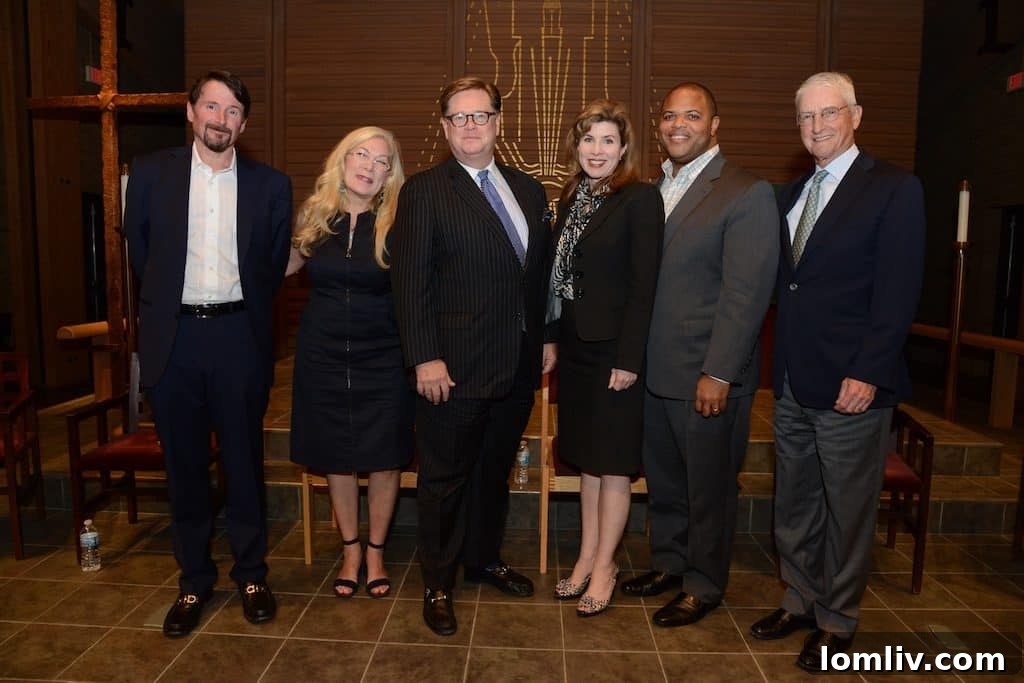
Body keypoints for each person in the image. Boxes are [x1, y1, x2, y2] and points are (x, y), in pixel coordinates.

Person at [749, 72, 925, 672]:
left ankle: (836, 619)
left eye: (829, 113)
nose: (818, 125)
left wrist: (869, 371)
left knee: (848, 509)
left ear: (856, 115)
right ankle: (799, 599)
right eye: (806, 117)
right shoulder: (794, 193)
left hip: (854, 382)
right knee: (794, 501)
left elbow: (898, 293)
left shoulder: (894, 189)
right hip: (795, 378)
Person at [125, 70, 292, 637]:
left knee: (245, 464)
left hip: (239, 337)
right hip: (175, 341)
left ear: (244, 124)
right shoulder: (149, 175)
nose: (222, 120)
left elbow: (269, 269)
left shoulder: (271, 186)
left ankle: (251, 575)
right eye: (212, 107)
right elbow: (142, 254)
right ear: (192, 111)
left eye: (234, 112)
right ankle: (194, 580)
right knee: (185, 469)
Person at [390, 76, 553, 636]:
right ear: (444, 127)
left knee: (492, 474)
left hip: (515, 366)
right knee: (443, 480)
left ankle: (483, 558)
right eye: (458, 117)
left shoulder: (528, 190)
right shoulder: (425, 190)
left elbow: (536, 278)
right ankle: (438, 581)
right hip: (452, 370)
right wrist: (425, 357)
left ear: (499, 122)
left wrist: (546, 337)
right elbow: (410, 286)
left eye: (480, 115)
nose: (470, 125)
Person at [622, 82, 779, 627]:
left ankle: (704, 584)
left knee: (708, 489)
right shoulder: (651, 187)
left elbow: (747, 294)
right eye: (669, 115)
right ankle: (668, 564)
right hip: (654, 371)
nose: (678, 125)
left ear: (715, 125)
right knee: (665, 482)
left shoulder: (744, 192)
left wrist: (719, 371)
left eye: (692, 115)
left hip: (705, 376)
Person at [547, 100, 663, 617]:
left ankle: (605, 567)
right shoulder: (572, 195)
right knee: (588, 463)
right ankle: (586, 557)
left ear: (623, 149)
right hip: (575, 349)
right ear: (577, 146)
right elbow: (558, 281)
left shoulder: (639, 198)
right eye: (589, 140)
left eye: (608, 141)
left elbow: (644, 286)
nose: (597, 150)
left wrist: (630, 357)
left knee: (613, 466)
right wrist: (550, 337)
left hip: (615, 353)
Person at [287, 127, 413, 598]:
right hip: (321, 354)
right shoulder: (316, 216)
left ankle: (376, 550)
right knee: (336, 456)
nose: (370, 165)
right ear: (343, 160)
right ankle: (351, 549)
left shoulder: (401, 220)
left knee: (384, 458)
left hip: (384, 356)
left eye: (382, 161)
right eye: (362, 154)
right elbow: (280, 267)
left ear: (389, 175)